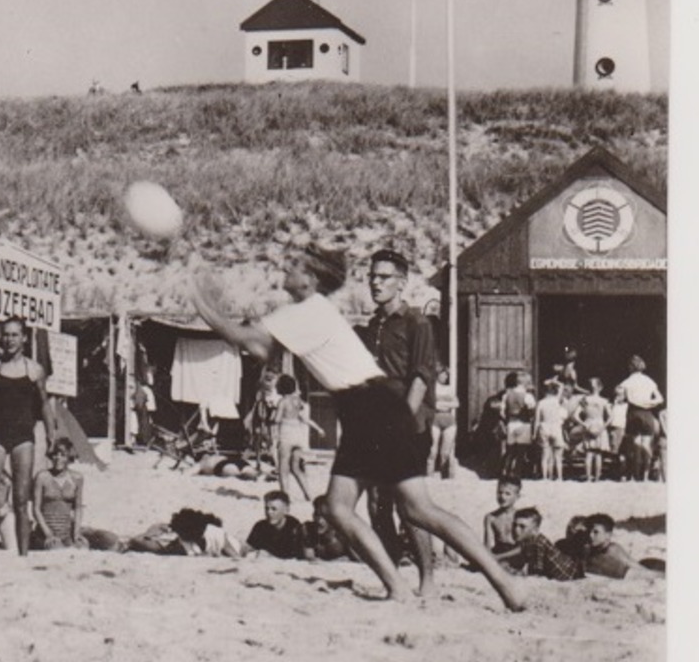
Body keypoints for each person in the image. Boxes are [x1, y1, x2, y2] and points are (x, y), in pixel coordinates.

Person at [192, 245, 524, 609]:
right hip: (369, 408)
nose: (286, 268)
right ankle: (458, 585)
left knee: (402, 509)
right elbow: (261, 350)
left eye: (296, 265)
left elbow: (244, 339)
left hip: (372, 409)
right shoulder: (309, 314)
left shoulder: (309, 312)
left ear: (311, 279)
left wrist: (203, 301)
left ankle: (450, 584)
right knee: (363, 508)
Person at [357, 248, 439, 590]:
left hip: (409, 425)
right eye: (372, 276)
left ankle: (427, 579)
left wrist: (403, 424)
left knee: (411, 506)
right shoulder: (373, 326)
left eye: (384, 277)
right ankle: (393, 577)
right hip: (377, 425)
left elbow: (420, 377)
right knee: (378, 504)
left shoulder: (416, 322)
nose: (376, 283)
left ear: (401, 283)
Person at [0, 316, 53, 560]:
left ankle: (23, 558)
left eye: (14, 335)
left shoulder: (35, 370)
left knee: (20, 499)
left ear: (24, 338)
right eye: (5, 334)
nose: (9, 340)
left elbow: (44, 403)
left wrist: (51, 432)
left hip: (22, 436)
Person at [269, 373, 324, 501]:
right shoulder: (297, 401)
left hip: (286, 434)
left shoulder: (282, 402)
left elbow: (277, 420)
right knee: (296, 467)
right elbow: (304, 418)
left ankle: (285, 496)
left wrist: (271, 419)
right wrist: (318, 428)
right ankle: (308, 494)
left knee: (283, 468)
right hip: (297, 435)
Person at [497, 508, 582, 581]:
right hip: (566, 571)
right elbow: (521, 549)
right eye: (514, 525)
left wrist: (516, 573)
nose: (516, 530)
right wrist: (500, 557)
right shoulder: (529, 540)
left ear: (535, 530)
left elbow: (536, 574)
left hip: (567, 577)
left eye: (522, 527)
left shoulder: (538, 543)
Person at [616, 355, 663, 482]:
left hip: (634, 412)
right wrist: (647, 403)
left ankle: (636, 475)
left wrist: (632, 400)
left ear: (631, 366)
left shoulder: (627, 382)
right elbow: (660, 399)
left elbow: (619, 398)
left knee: (635, 446)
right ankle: (646, 476)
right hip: (647, 413)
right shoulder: (650, 381)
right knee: (646, 445)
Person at [31, 438, 84, 549]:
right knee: (56, 549)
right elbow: (35, 509)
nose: (58, 458)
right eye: (55, 454)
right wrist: (48, 534)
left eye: (63, 455)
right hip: (45, 532)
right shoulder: (42, 477)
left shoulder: (77, 478)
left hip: (67, 532)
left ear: (69, 457)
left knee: (83, 547)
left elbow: (78, 508)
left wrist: (76, 533)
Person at [571, 377, 613, 482]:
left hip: (589, 424)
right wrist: (604, 426)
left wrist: (583, 424)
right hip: (599, 424)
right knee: (598, 454)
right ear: (600, 388)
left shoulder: (585, 400)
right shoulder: (604, 401)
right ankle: (598, 477)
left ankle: (589, 477)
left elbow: (575, 415)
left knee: (589, 453)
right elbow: (611, 417)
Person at [245, 490, 305, 559]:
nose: (269, 512)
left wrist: (269, 556)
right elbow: (248, 549)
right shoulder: (260, 526)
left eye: (274, 509)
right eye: (266, 508)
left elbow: (297, 557)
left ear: (286, 510)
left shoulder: (294, 527)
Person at [500, 372, 537, 479]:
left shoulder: (506, 395)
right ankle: (516, 473)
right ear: (525, 383)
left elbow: (502, 412)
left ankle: (505, 471)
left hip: (511, 423)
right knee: (521, 451)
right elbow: (531, 410)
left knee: (510, 450)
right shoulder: (528, 396)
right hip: (524, 423)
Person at [534, 379, 570, 482]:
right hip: (556, 428)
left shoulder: (541, 403)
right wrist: (554, 381)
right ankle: (559, 477)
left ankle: (545, 477)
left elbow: (537, 420)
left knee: (545, 455)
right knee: (558, 456)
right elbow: (562, 386)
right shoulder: (556, 400)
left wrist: (534, 433)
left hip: (544, 427)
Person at [580, 513, 636, 579]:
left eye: (596, 532)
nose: (590, 535)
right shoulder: (591, 549)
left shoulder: (613, 550)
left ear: (608, 535)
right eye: (589, 531)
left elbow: (639, 570)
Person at [429, 368, 459, 479]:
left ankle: (445, 476)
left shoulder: (449, 388)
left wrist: (440, 404)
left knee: (445, 452)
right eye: (443, 374)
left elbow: (456, 404)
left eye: (447, 375)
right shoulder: (432, 388)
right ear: (438, 375)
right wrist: (446, 404)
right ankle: (430, 475)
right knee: (432, 450)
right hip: (435, 419)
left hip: (449, 420)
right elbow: (432, 404)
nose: (445, 377)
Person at [301, 495, 349, 561]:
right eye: (317, 515)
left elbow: (359, 558)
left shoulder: (342, 531)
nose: (319, 521)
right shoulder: (308, 529)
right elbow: (309, 557)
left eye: (324, 516)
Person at [483, 476, 523, 553]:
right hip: (498, 552)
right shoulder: (491, 517)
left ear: (517, 496)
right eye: (499, 492)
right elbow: (487, 545)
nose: (502, 497)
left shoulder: (520, 516)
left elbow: (524, 545)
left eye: (507, 494)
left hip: (516, 554)